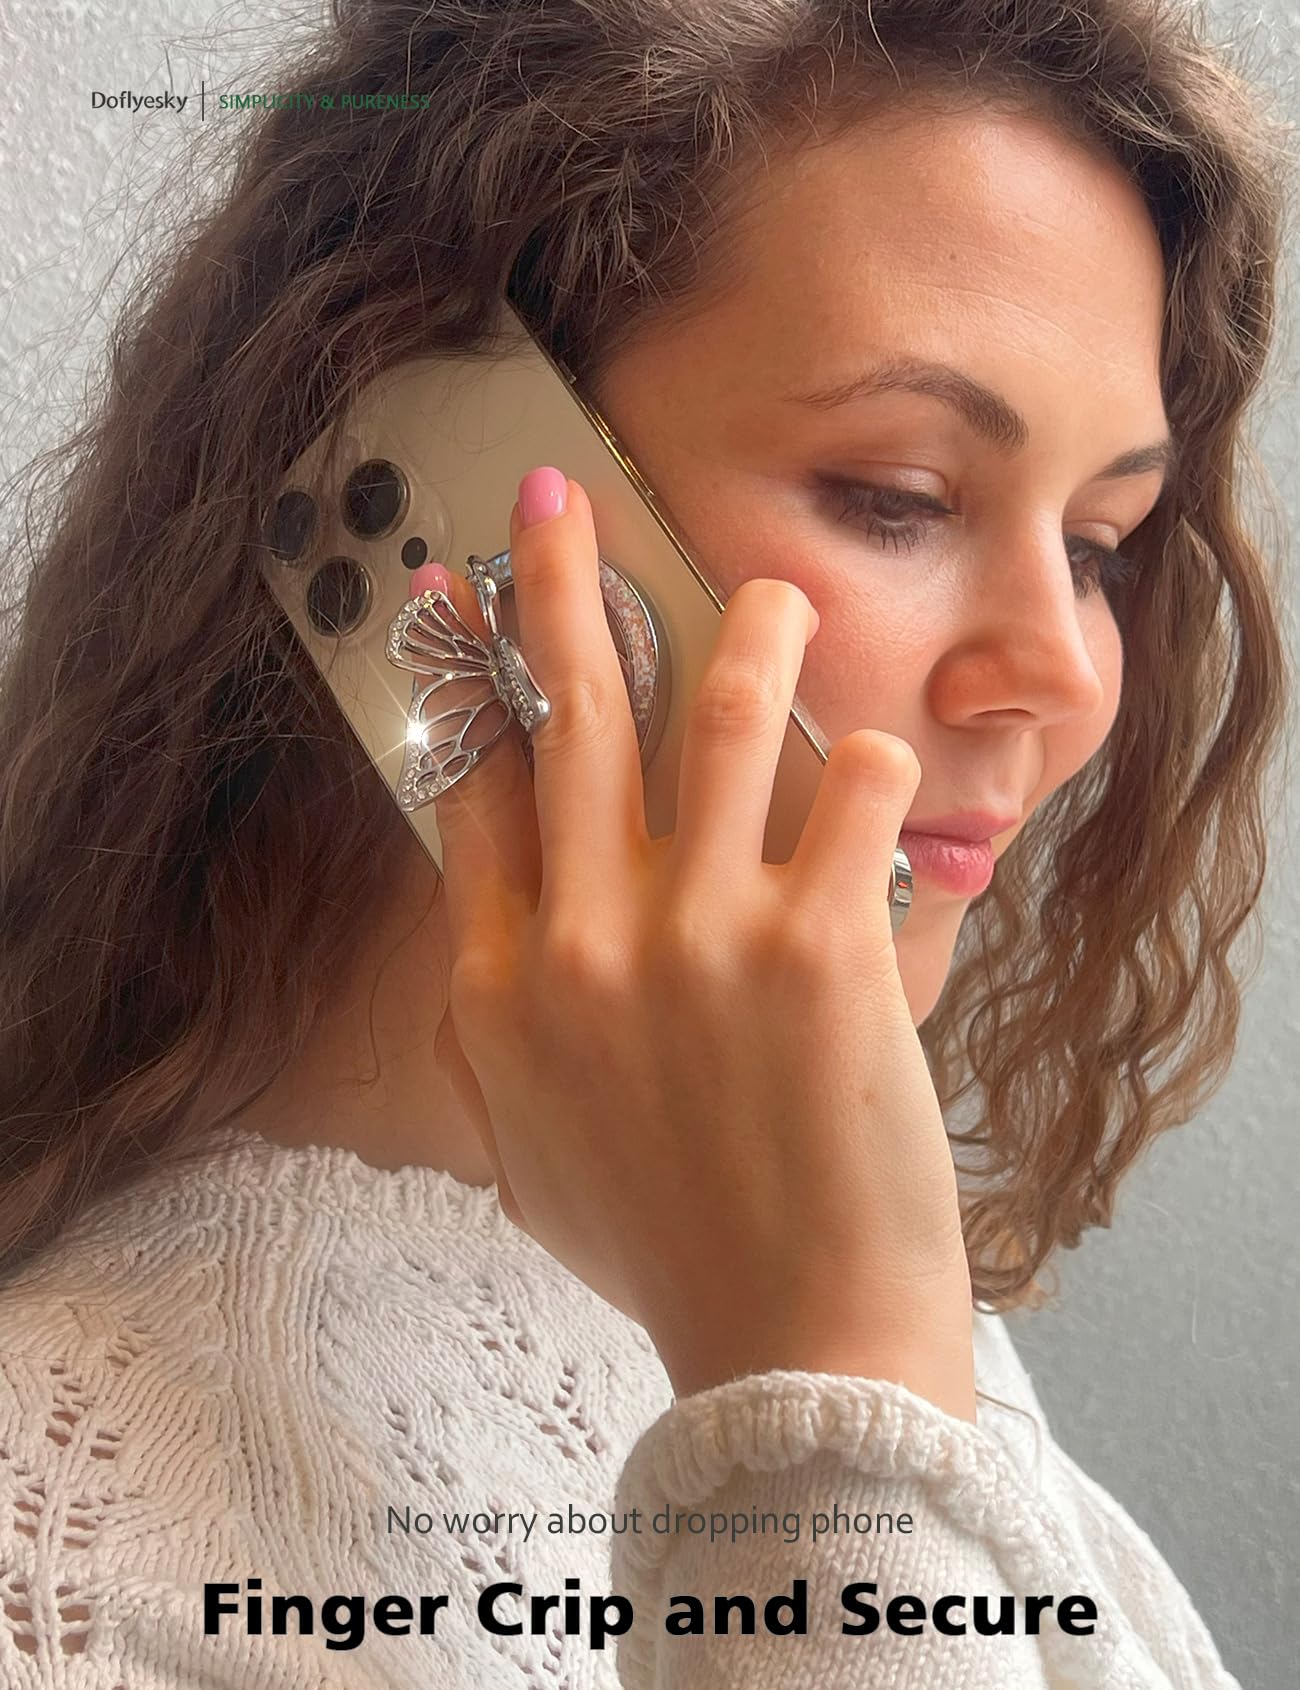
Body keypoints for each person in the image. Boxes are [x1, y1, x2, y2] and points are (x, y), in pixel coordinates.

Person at [0, 0, 1290, 1685]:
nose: (1066, 676)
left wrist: (830, 1356)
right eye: (900, 496)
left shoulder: (873, 1309)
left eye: (1102, 543)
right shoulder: (66, 1557)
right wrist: (826, 1409)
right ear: (436, 471)